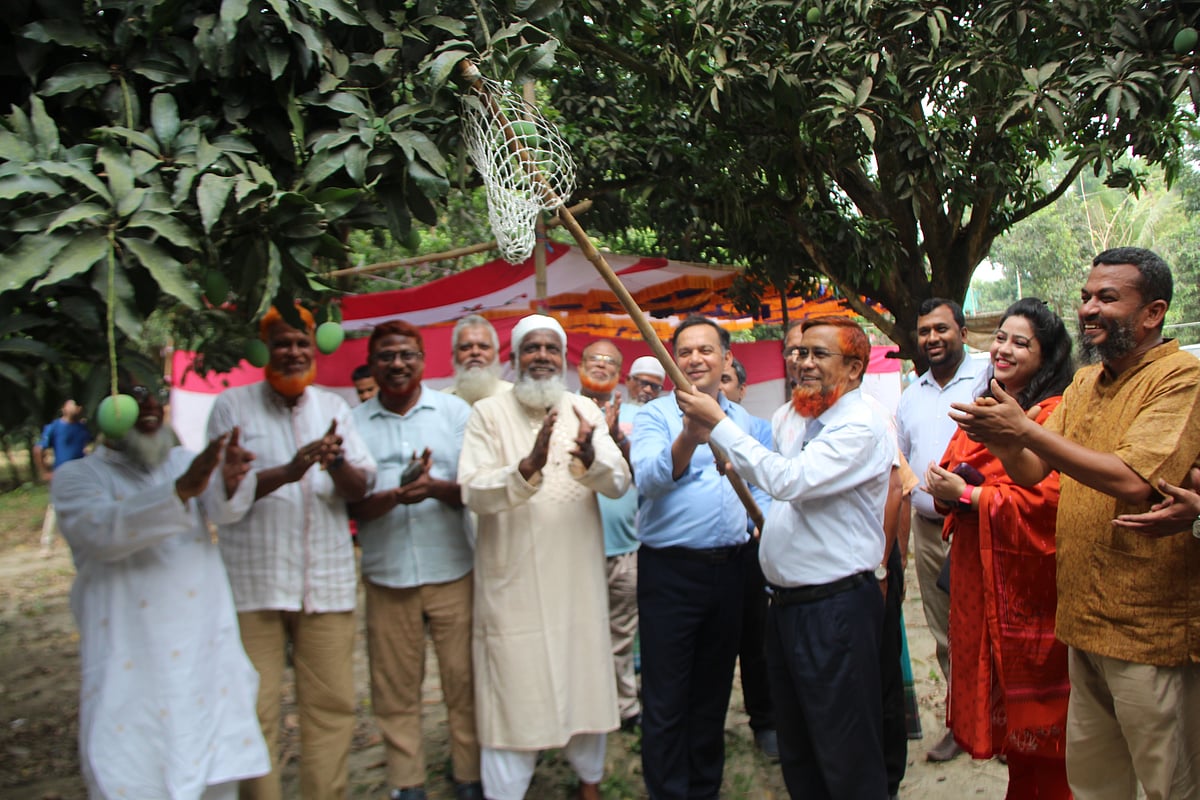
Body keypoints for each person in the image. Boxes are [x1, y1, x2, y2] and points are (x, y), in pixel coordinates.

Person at [949, 247, 1200, 800]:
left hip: (1147, 632)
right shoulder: (1086, 383)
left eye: (1107, 298)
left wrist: (1025, 430)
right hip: (1081, 623)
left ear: (1153, 312)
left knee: (1167, 784)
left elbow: (1135, 481)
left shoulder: (1179, 378)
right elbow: (1035, 469)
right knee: (1092, 783)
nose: (1088, 308)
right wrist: (1004, 437)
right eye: (1086, 296)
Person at [678, 315, 895, 800]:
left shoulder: (862, 425)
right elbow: (785, 497)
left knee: (846, 753)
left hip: (835, 610)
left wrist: (721, 425)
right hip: (786, 608)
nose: (804, 364)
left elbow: (790, 480)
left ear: (855, 368)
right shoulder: (790, 417)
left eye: (820, 355)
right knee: (799, 749)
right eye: (799, 353)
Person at [52, 382, 270, 799]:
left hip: (201, 653)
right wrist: (181, 490)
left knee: (212, 767)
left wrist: (229, 479)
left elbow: (226, 511)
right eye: (134, 395)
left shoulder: (184, 461)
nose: (150, 405)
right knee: (132, 769)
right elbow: (102, 531)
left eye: (155, 392)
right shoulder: (77, 477)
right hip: (131, 657)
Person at [457, 314, 631, 800]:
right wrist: (526, 467)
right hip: (512, 583)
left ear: (563, 359)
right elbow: (471, 490)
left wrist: (594, 462)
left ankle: (589, 783)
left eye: (551, 349)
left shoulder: (586, 412)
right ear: (514, 360)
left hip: (577, 581)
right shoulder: (488, 414)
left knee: (585, 676)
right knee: (514, 688)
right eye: (531, 348)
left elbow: (618, 483)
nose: (541, 356)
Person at [206, 305, 376, 800]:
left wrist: (336, 460)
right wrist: (290, 470)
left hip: (326, 583)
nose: (294, 352)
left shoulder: (334, 408)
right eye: (283, 343)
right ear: (265, 350)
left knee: (332, 707)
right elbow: (220, 500)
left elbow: (362, 486)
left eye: (302, 342)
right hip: (251, 586)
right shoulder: (232, 408)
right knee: (251, 709)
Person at [923, 298, 1075, 799]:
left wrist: (968, 495)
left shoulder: (1054, 412)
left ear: (1047, 355)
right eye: (1002, 339)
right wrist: (946, 482)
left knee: (1046, 734)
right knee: (1013, 735)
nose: (1004, 350)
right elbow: (957, 458)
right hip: (978, 572)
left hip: (1030, 589)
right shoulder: (985, 403)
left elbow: (1049, 498)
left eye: (1021, 342)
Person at [630, 316, 772, 799]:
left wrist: (765, 528)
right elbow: (647, 480)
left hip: (731, 570)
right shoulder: (653, 417)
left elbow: (764, 492)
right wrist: (689, 436)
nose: (695, 359)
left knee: (713, 690)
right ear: (673, 360)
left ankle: (704, 787)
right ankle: (668, 791)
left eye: (706, 350)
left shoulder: (751, 424)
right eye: (685, 352)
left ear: (727, 359)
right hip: (670, 572)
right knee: (667, 695)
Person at [349, 320, 481, 800]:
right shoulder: (353, 423)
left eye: (406, 354)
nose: (397, 364)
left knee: (463, 680)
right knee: (394, 688)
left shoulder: (453, 414)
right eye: (387, 356)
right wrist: (397, 496)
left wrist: (434, 489)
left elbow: (475, 489)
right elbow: (351, 505)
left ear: (424, 360)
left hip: (452, 571)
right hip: (387, 578)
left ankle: (468, 772)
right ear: (373, 363)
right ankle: (407, 782)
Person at [894, 297, 982, 763]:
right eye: (925, 331)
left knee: (989, 626)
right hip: (931, 532)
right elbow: (903, 469)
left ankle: (1001, 724)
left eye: (941, 329)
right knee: (946, 633)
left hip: (980, 526)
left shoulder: (988, 378)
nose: (932, 338)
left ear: (963, 333)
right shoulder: (910, 395)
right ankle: (961, 724)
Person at [577, 338, 642, 731]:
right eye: (593, 359)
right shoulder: (562, 410)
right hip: (575, 547)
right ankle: (583, 706)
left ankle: (624, 706)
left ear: (620, 372)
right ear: (581, 364)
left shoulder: (636, 414)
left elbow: (644, 474)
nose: (601, 365)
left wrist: (620, 438)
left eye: (610, 361)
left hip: (625, 547)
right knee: (578, 630)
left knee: (621, 632)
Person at [720, 358, 778, 759]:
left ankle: (765, 721)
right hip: (707, 552)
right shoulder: (677, 420)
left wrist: (761, 521)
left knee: (756, 640)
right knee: (714, 641)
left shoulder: (756, 428)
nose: (720, 388)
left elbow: (767, 485)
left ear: (742, 389)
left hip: (750, 548)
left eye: (727, 381)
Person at [34, 398, 92, 555]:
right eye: (72, 404)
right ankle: (47, 543)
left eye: (77, 404)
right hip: (61, 473)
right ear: (63, 408)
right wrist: (45, 472)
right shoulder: (54, 427)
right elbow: (39, 449)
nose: (75, 407)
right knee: (55, 508)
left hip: (80, 474)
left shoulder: (82, 428)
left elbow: (88, 447)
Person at [446, 314, 513, 405]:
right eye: (466, 347)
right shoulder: (441, 402)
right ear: (454, 355)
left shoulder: (513, 398)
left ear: (496, 353)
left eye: (483, 347)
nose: (475, 352)